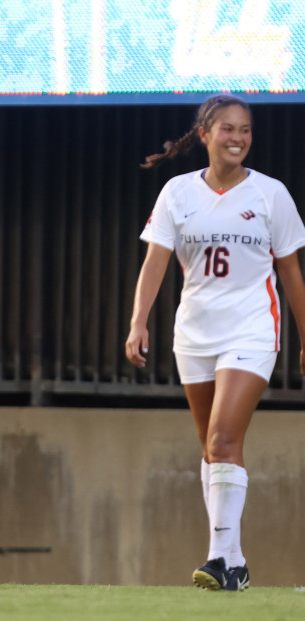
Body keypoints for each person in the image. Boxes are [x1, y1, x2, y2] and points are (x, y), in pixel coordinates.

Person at [125, 94, 305, 592]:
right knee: (212, 448)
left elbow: (290, 272)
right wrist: (138, 323)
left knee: (225, 440)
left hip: (252, 330)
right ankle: (236, 561)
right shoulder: (177, 193)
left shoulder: (271, 195)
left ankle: (220, 560)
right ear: (204, 135)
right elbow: (155, 262)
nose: (238, 138)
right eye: (227, 129)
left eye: (245, 130)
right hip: (195, 334)